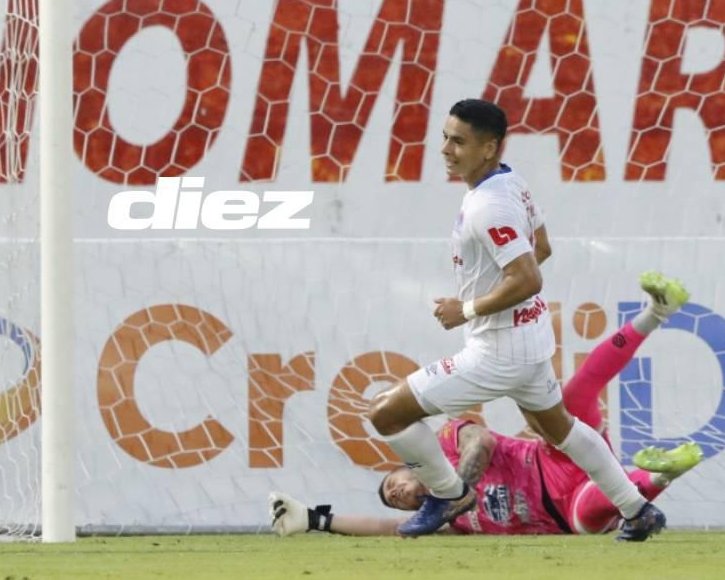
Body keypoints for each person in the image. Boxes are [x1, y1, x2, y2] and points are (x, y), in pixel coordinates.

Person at [366, 99, 664, 541]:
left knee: (386, 414)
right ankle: (637, 508)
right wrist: (486, 287)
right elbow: (540, 246)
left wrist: (465, 308)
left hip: (498, 351)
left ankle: (449, 493)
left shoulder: (489, 206)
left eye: (458, 141)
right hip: (529, 338)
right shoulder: (510, 182)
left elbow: (528, 276)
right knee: (560, 430)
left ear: (489, 148)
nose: (446, 149)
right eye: (445, 137)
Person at [271, 271, 701, 538]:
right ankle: (657, 475)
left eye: (393, 484)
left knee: (578, 392)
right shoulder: (440, 520)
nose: (399, 494)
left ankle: (656, 313)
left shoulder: (448, 442)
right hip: (562, 510)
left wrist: (459, 491)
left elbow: (482, 442)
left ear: (410, 464)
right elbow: (385, 528)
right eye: (398, 500)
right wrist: (314, 520)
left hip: (550, 457)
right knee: (590, 513)